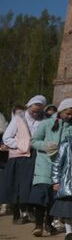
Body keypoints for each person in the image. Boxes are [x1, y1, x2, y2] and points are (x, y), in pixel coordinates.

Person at [27, 99, 72, 237]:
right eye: (67, 113)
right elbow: (33, 141)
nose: (70, 116)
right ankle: (38, 225)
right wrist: (45, 145)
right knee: (40, 195)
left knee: (54, 197)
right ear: (61, 111)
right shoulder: (46, 123)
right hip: (44, 164)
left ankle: (48, 223)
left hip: (61, 167)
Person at [1, 95, 46, 224]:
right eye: (34, 110)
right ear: (29, 106)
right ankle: (16, 214)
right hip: (19, 156)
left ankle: (29, 210)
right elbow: (7, 137)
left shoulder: (43, 120)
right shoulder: (18, 119)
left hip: (36, 156)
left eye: (38, 111)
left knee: (31, 184)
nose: (35, 113)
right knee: (16, 184)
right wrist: (22, 145)